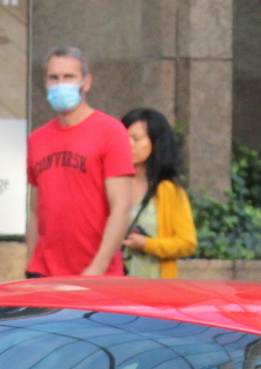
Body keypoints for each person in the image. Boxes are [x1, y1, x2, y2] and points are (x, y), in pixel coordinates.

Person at [26, 47, 135, 278]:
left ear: (86, 82)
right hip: (44, 274)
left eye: (69, 77)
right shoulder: (37, 139)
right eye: (53, 78)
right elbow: (36, 210)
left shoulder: (111, 132)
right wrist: (31, 263)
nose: (60, 84)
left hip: (96, 276)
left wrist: (97, 267)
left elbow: (121, 209)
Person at [119, 108, 198, 277]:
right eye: (124, 138)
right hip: (113, 289)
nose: (129, 144)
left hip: (156, 289)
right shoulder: (112, 185)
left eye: (136, 139)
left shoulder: (168, 190)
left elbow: (187, 243)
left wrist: (147, 244)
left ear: (156, 143)